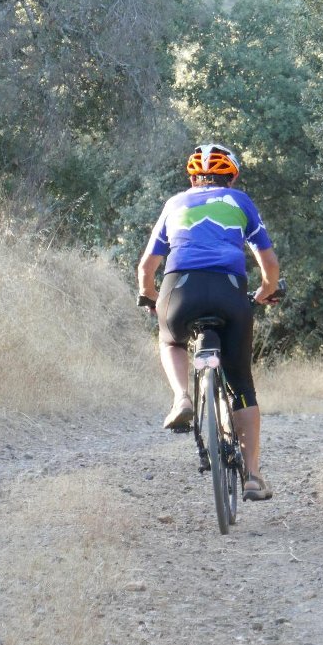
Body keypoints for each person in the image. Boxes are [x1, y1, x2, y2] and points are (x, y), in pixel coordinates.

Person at [137, 142, 281, 501]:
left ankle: (182, 398)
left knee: (170, 339)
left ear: (192, 178)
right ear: (230, 177)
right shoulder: (239, 202)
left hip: (179, 290)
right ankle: (252, 475)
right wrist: (266, 292)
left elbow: (146, 268)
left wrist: (152, 299)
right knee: (243, 386)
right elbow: (270, 267)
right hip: (229, 292)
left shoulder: (174, 204)